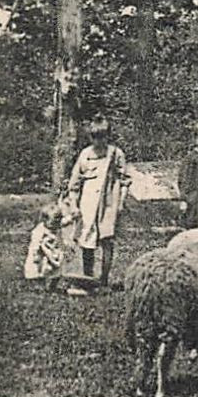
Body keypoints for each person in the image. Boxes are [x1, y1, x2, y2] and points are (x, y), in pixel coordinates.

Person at [66, 117, 130, 291]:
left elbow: (125, 180)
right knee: (87, 241)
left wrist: (121, 202)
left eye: (102, 137)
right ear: (90, 137)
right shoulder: (85, 155)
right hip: (88, 205)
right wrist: (74, 205)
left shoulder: (116, 154)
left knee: (107, 240)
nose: (99, 141)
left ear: (108, 136)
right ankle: (88, 279)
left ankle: (104, 280)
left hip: (109, 204)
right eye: (95, 137)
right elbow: (74, 184)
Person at [23, 201, 67, 284]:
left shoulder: (57, 230)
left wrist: (64, 248)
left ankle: (53, 284)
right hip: (41, 253)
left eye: (58, 222)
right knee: (38, 268)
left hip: (52, 252)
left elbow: (60, 239)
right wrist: (35, 253)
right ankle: (36, 283)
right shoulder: (40, 230)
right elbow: (35, 242)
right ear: (45, 220)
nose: (55, 225)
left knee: (55, 269)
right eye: (53, 223)